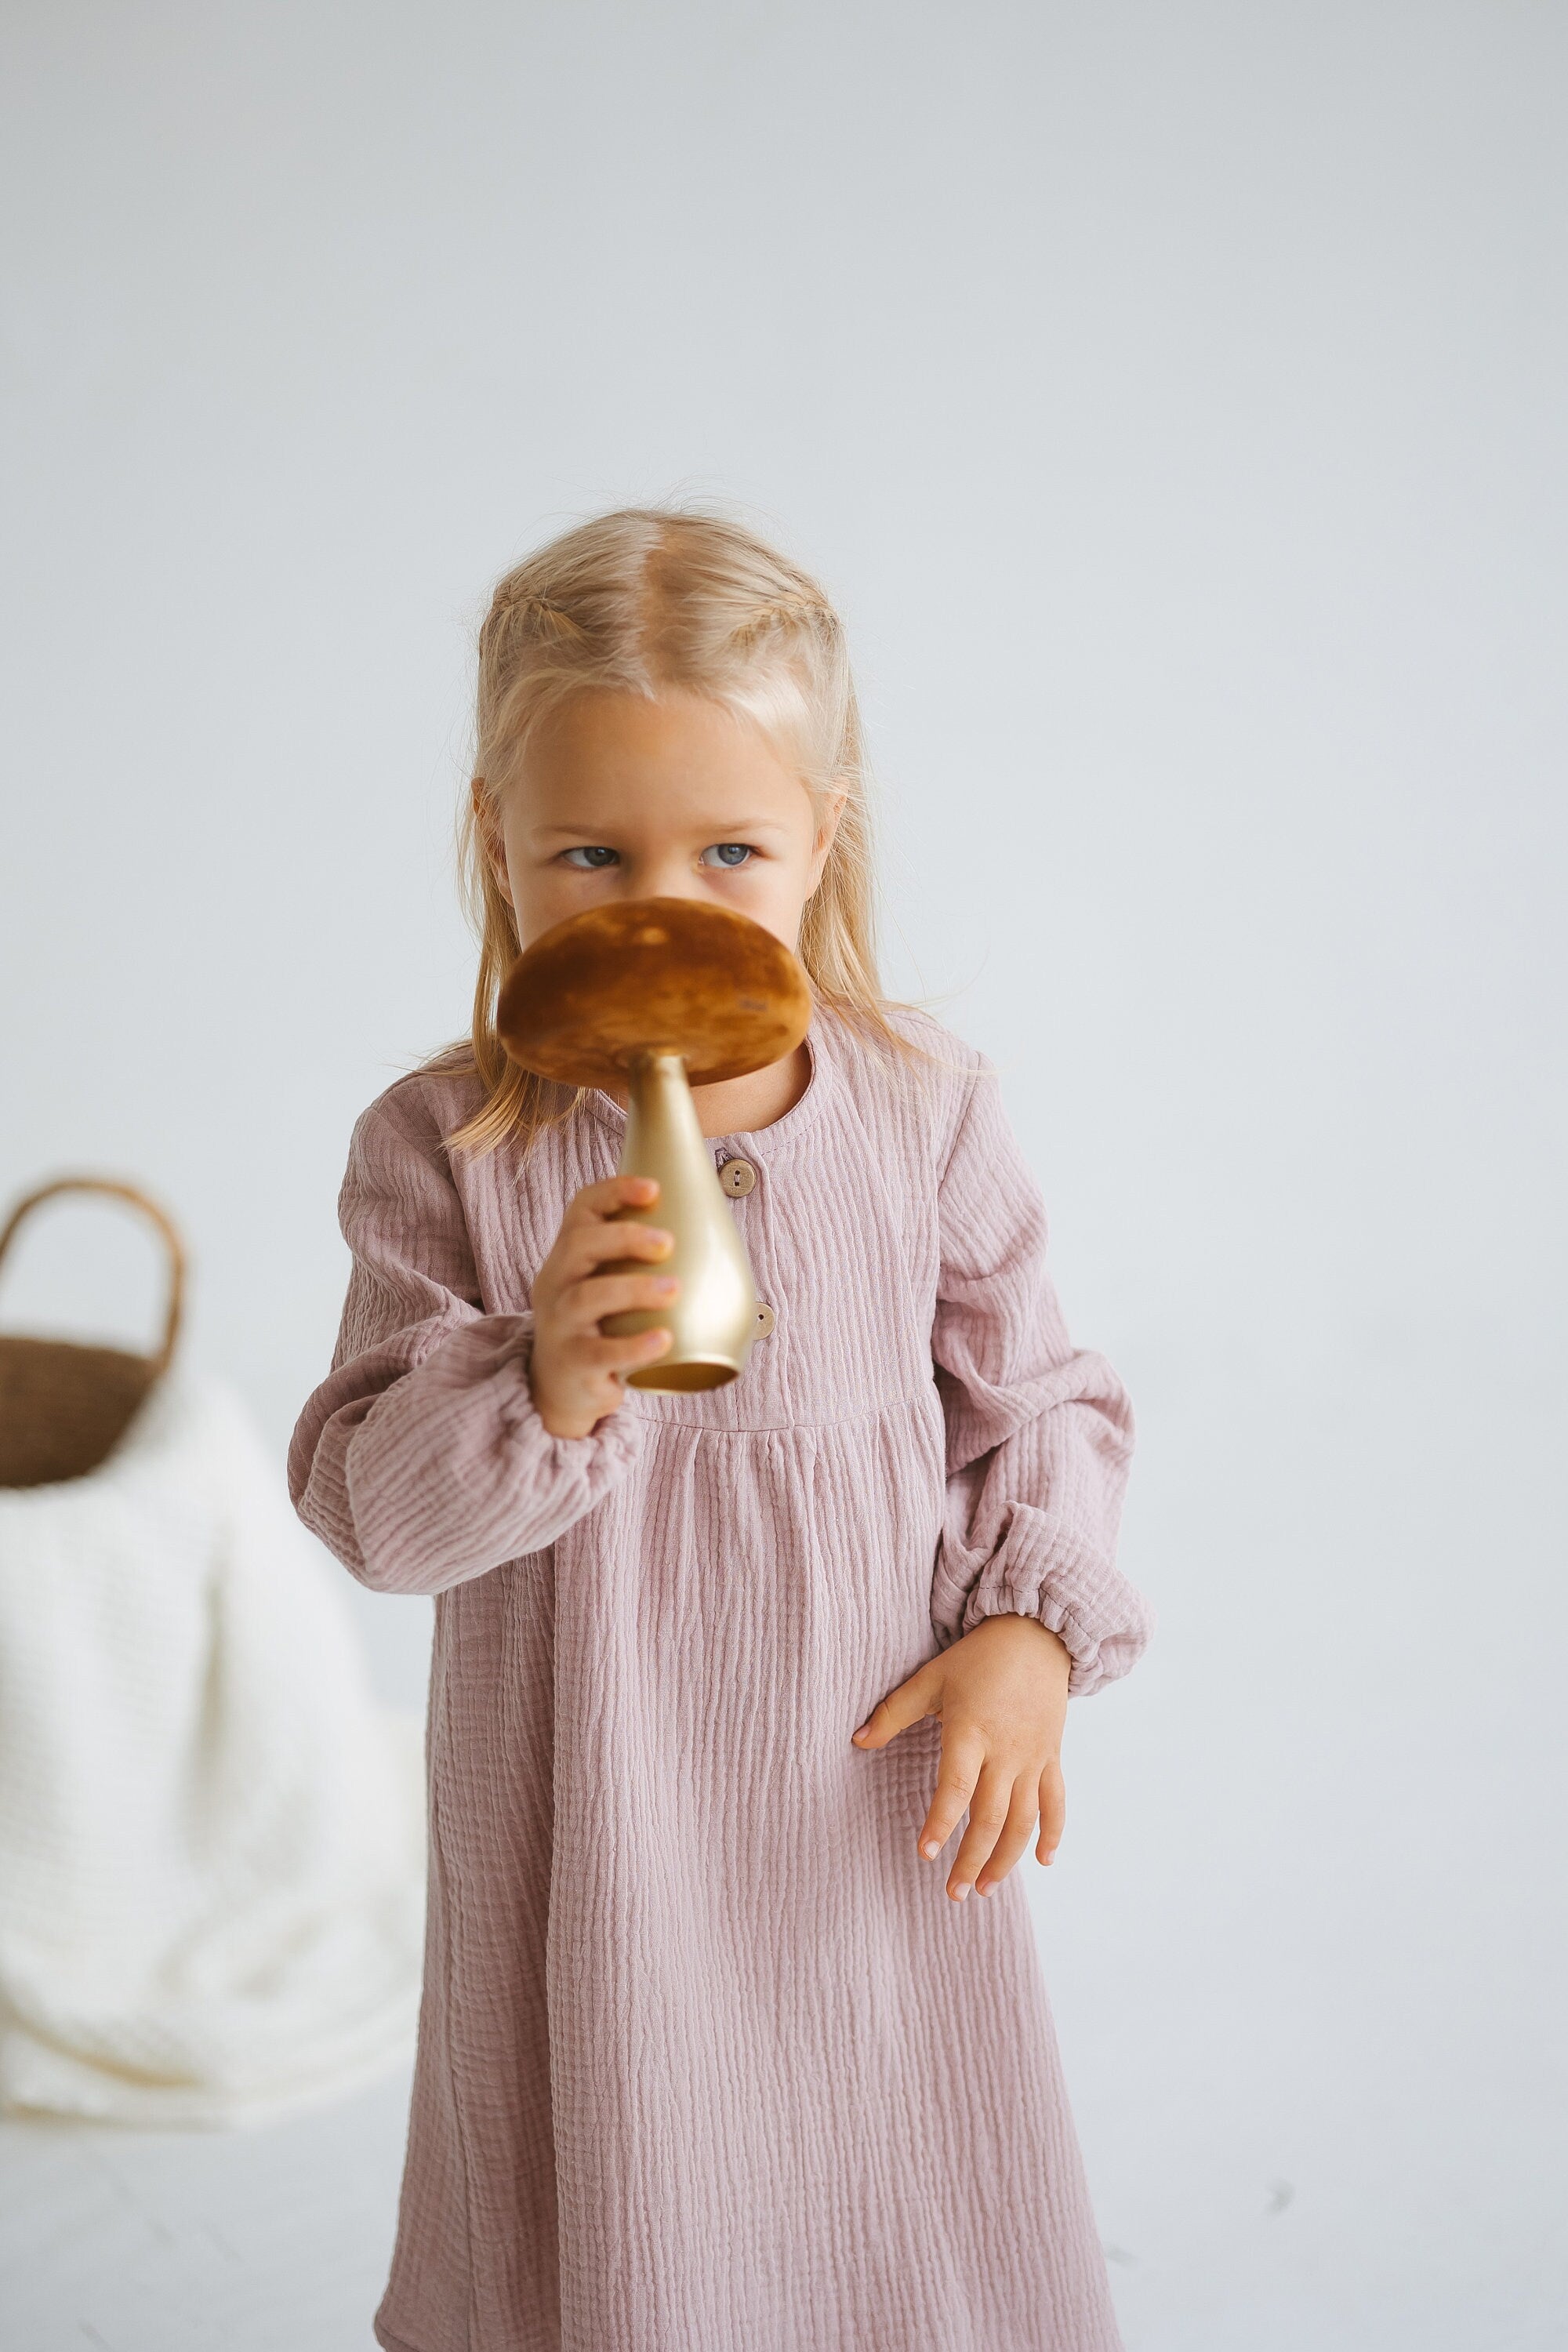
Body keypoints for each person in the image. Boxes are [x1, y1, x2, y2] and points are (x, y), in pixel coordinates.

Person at [289, 507, 1153, 2352]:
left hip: (864, 1794)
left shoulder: (921, 1110)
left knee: (884, 2182)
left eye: (730, 850)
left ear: (822, 836)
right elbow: (376, 1518)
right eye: (590, 854)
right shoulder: (446, 1149)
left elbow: (1043, 1401)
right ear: (497, 847)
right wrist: (540, 1382)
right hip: (593, 1813)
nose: (656, 901)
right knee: (628, 2199)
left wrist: (1029, 1631)